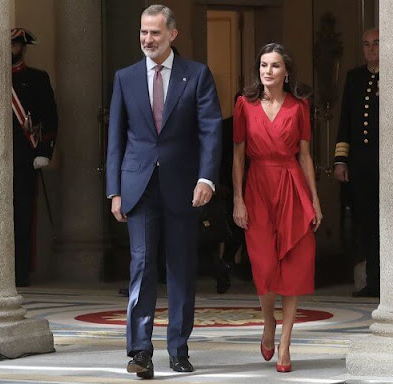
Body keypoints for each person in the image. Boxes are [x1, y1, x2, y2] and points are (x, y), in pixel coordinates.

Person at [106, 5, 222, 378]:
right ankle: (139, 351)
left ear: (173, 34)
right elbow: (115, 140)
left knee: (181, 269)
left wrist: (206, 179)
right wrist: (114, 191)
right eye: (143, 32)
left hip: (184, 187)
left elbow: (210, 132)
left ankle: (178, 348)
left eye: (154, 33)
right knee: (140, 266)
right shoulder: (125, 77)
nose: (147, 39)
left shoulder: (197, 75)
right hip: (138, 187)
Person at [232, 43, 323, 373]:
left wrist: (313, 199)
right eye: (262, 65)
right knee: (265, 268)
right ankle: (268, 322)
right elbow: (239, 156)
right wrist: (237, 199)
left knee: (295, 266)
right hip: (257, 188)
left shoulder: (300, 106)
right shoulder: (244, 104)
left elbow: (306, 156)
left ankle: (285, 345)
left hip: (291, 186)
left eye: (274, 66)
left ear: (286, 72)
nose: (267, 71)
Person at [333, 28, 379, 298]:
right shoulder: (355, 77)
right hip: (361, 165)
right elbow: (346, 122)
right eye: (366, 44)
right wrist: (341, 160)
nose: (371, 49)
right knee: (366, 223)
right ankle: (373, 281)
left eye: (376, 44)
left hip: (386, 165)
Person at [11, 27, 58, 287]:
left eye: (15, 45)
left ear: (23, 47)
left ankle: (21, 271)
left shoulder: (37, 78)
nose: (10, 50)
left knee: (24, 215)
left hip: (25, 156)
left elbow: (49, 117)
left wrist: (43, 152)